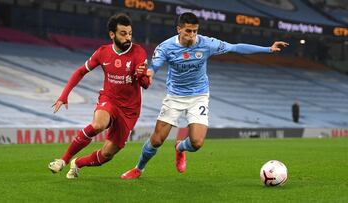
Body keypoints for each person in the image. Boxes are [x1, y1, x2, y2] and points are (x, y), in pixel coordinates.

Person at [121, 12, 289, 179]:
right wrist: (149, 73)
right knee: (157, 140)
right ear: (178, 29)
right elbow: (155, 66)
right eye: (188, 31)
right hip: (175, 96)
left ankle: (180, 147)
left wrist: (268, 49)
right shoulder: (165, 47)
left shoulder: (207, 43)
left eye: (195, 31)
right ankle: (138, 169)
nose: (192, 35)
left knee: (197, 143)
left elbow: (236, 47)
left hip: (199, 95)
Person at [48, 13, 151, 179]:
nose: (128, 38)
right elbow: (80, 71)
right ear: (112, 34)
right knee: (98, 125)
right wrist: (64, 95)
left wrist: (141, 76)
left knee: (107, 155)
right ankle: (63, 160)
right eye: (123, 34)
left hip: (130, 110)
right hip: (109, 99)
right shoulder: (103, 52)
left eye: (130, 33)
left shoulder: (138, 52)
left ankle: (78, 163)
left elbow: (146, 84)